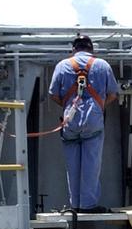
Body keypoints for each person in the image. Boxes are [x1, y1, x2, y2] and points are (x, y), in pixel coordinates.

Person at [49, 35, 119, 212]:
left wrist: (68, 106)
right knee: (91, 163)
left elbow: (53, 94)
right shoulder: (103, 65)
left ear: (73, 49)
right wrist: (98, 105)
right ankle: (87, 205)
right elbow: (112, 94)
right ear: (91, 49)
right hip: (93, 121)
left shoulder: (62, 65)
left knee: (72, 164)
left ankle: (75, 204)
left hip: (70, 121)